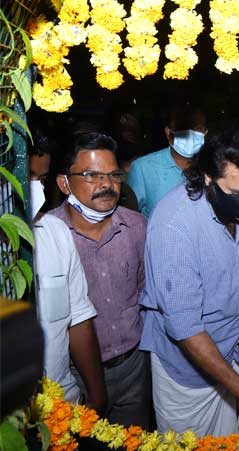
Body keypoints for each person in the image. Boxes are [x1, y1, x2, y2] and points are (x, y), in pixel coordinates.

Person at [139, 127, 239, 436]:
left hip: (236, 351)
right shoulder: (173, 227)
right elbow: (186, 327)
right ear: (206, 176)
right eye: (236, 194)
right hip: (189, 373)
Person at [51, 132, 152, 428]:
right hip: (74, 376)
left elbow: (146, 293)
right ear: (64, 183)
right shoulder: (48, 236)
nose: (106, 185)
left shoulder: (136, 226)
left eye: (113, 175)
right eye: (92, 175)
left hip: (134, 367)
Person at [30, 135, 107, 411]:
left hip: (65, 403)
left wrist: (98, 396)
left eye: (41, 179)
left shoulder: (55, 232)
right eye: (26, 176)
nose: (34, 188)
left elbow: (79, 320)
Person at [127, 104, 207, 218]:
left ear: (205, 132)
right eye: (182, 128)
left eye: (197, 128)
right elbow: (129, 218)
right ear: (168, 132)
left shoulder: (213, 167)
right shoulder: (143, 168)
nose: (189, 134)